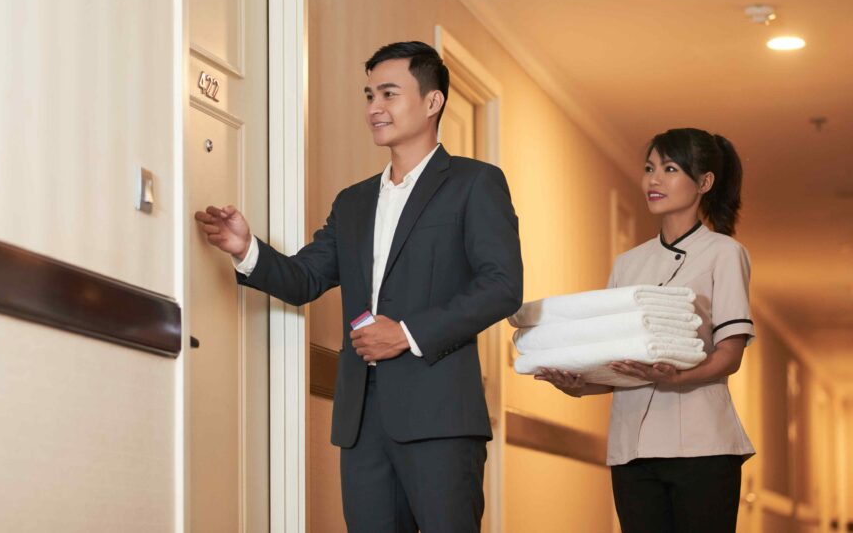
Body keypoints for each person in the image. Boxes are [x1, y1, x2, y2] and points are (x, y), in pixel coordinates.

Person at [195, 41, 523, 532]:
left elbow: (502, 286)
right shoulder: (353, 203)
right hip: (361, 423)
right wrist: (247, 248)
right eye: (369, 95)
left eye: (388, 94)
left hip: (440, 422)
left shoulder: (475, 183)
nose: (374, 107)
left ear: (432, 102)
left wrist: (407, 333)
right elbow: (306, 278)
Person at [535, 128, 755, 533]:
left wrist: (680, 376)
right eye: (650, 168)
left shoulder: (725, 254)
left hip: (701, 447)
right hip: (632, 451)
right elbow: (619, 362)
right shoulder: (628, 264)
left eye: (670, 169)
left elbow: (730, 354)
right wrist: (579, 384)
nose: (654, 180)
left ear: (704, 182)